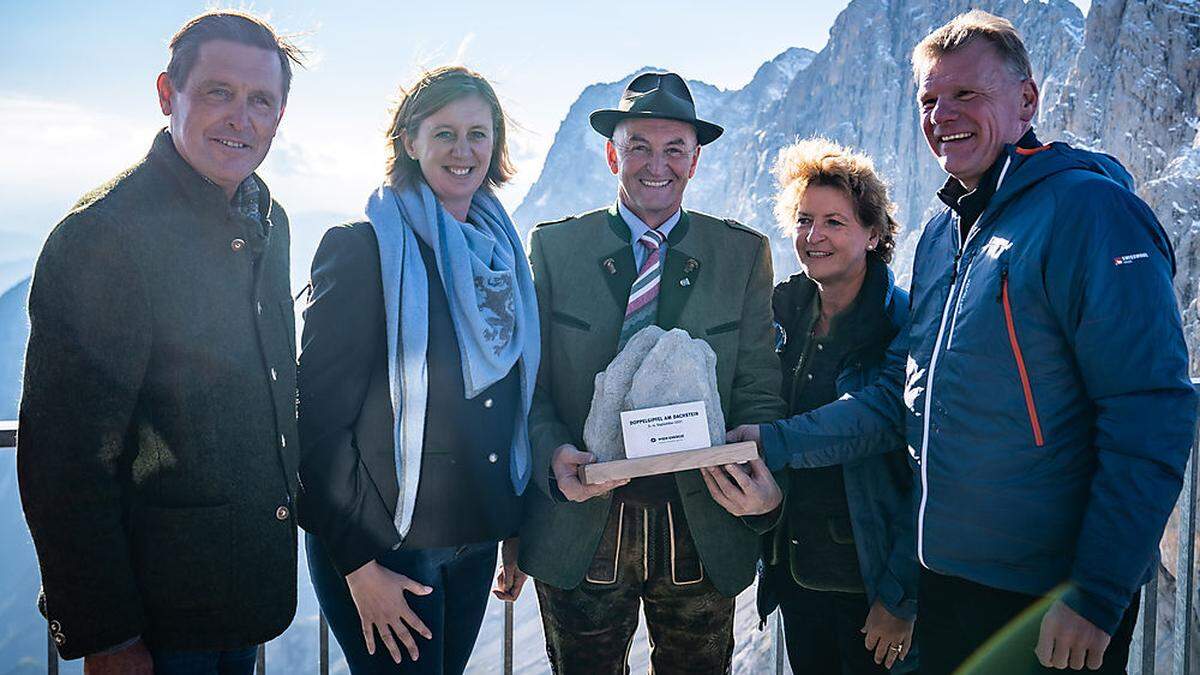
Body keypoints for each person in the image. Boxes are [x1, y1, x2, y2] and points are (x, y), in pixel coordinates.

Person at [729, 10, 1197, 674]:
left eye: (966, 94)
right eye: (928, 99)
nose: (942, 113)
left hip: (1043, 599)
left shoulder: (1090, 212)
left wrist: (1095, 596)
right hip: (946, 586)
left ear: (1026, 100)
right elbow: (903, 399)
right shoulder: (943, 235)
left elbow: (1150, 408)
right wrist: (771, 442)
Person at [17, 11, 303, 675]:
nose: (241, 117)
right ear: (166, 95)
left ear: (280, 114)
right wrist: (108, 637)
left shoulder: (269, 215)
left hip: (246, 596)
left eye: (260, 99)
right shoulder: (102, 237)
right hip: (157, 620)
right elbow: (64, 463)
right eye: (217, 93)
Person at [519, 70, 785, 673]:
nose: (655, 164)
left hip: (701, 519)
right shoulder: (556, 250)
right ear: (613, 153)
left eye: (674, 149)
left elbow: (758, 390)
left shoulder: (740, 255)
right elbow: (529, 389)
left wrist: (760, 477)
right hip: (584, 520)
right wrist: (552, 453)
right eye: (638, 146)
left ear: (696, 161)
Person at [297, 66, 538, 675]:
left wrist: (511, 526)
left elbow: (508, 406)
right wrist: (356, 566)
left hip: (474, 537)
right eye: (445, 134)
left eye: (479, 135)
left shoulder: (503, 258)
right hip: (386, 553)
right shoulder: (362, 251)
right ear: (409, 141)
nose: (465, 151)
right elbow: (317, 423)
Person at [756, 138, 916, 674]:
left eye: (834, 222)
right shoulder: (783, 310)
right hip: (797, 571)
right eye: (804, 220)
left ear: (873, 234)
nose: (814, 236)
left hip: (865, 583)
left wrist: (899, 597)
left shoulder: (901, 326)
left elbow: (922, 475)